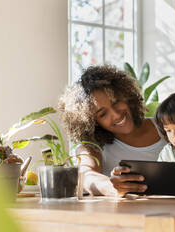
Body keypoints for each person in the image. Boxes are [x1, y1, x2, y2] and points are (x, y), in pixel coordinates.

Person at [58, 66, 167, 196]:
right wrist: (111, 187)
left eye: (116, 102)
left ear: (127, 96)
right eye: (103, 114)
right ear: (92, 122)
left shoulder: (165, 127)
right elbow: (86, 175)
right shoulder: (93, 146)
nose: (116, 115)